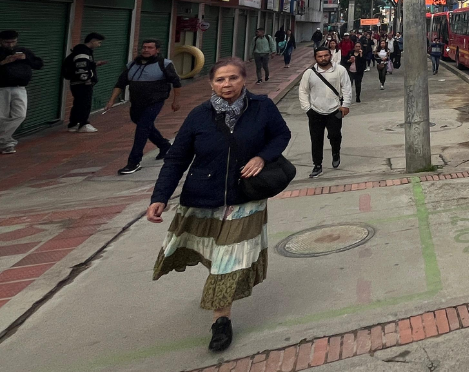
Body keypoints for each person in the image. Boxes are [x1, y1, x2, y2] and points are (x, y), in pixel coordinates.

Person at [147, 57, 291, 353]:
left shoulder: (262, 107)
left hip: (245, 199)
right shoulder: (199, 115)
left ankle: (220, 321)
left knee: (229, 260)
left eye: (233, 78)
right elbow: (177, 158)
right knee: (214, 255)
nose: (227, 85)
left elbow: (281, 135)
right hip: (203, 197)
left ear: (244, 79)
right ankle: (218, 293)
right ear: (211, 84)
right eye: (220, 80)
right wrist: (160, 197)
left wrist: (262, 156)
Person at [109, 40, 182, 174]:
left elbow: (176, 83)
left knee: (142, 128)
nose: (146, 50)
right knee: (144, 125)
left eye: (150, 48)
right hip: (136, 103)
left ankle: (134, 162)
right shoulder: (132, 65)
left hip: (155, 101)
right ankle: (164, 146)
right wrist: (111, 101)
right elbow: (120, 83)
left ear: (157, 50)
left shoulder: (164, 64)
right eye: (144, 47)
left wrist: (176, 101)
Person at [298, 44, 352, 178]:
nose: (323, 58)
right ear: (315, 58)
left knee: (335, 135)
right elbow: (303, 91)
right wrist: (307, 108)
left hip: (335, 110)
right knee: (316, 139)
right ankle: (317, 165)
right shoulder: (309, 73)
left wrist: (345, 105)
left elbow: (346, 87)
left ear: (331, 55)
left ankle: (336, 152)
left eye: (326, 55)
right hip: (315, 111)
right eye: (320, 56)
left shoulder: (340, 70)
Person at [0, 30, 44, 155]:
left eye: (13, 42)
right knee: (1, 116)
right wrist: (4, 62)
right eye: (6, 42)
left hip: (20, 87)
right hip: (2, 88)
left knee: (20, 115)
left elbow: (39, 64)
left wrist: (26, 59)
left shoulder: (24, 51)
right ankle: (6, 144)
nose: (10, 45)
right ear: (1, 41)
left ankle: (3, 139)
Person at [64, 32, 107, 133]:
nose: (99, 45)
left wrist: (95, 64)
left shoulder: (82, 51)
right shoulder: (83, 52)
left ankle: (73, 124)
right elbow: (81, 67)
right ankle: (83, 124)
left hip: (77, 83)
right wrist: (86, 79)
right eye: (99, 42)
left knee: (78, 103)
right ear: (93, 40)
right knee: (84, 103)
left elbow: (84, 65)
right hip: (82, 83)